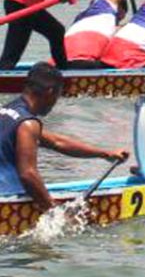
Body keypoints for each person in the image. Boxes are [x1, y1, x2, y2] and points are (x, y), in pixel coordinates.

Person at [0, 64, 129, 212]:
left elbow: (57, 142)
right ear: (50, 92)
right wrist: (54, 212)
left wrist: (105, 153)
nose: (55, 103)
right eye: (58, 96)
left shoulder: (7, 111)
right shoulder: (28, 124)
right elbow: (28, 174)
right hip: (7, 200)